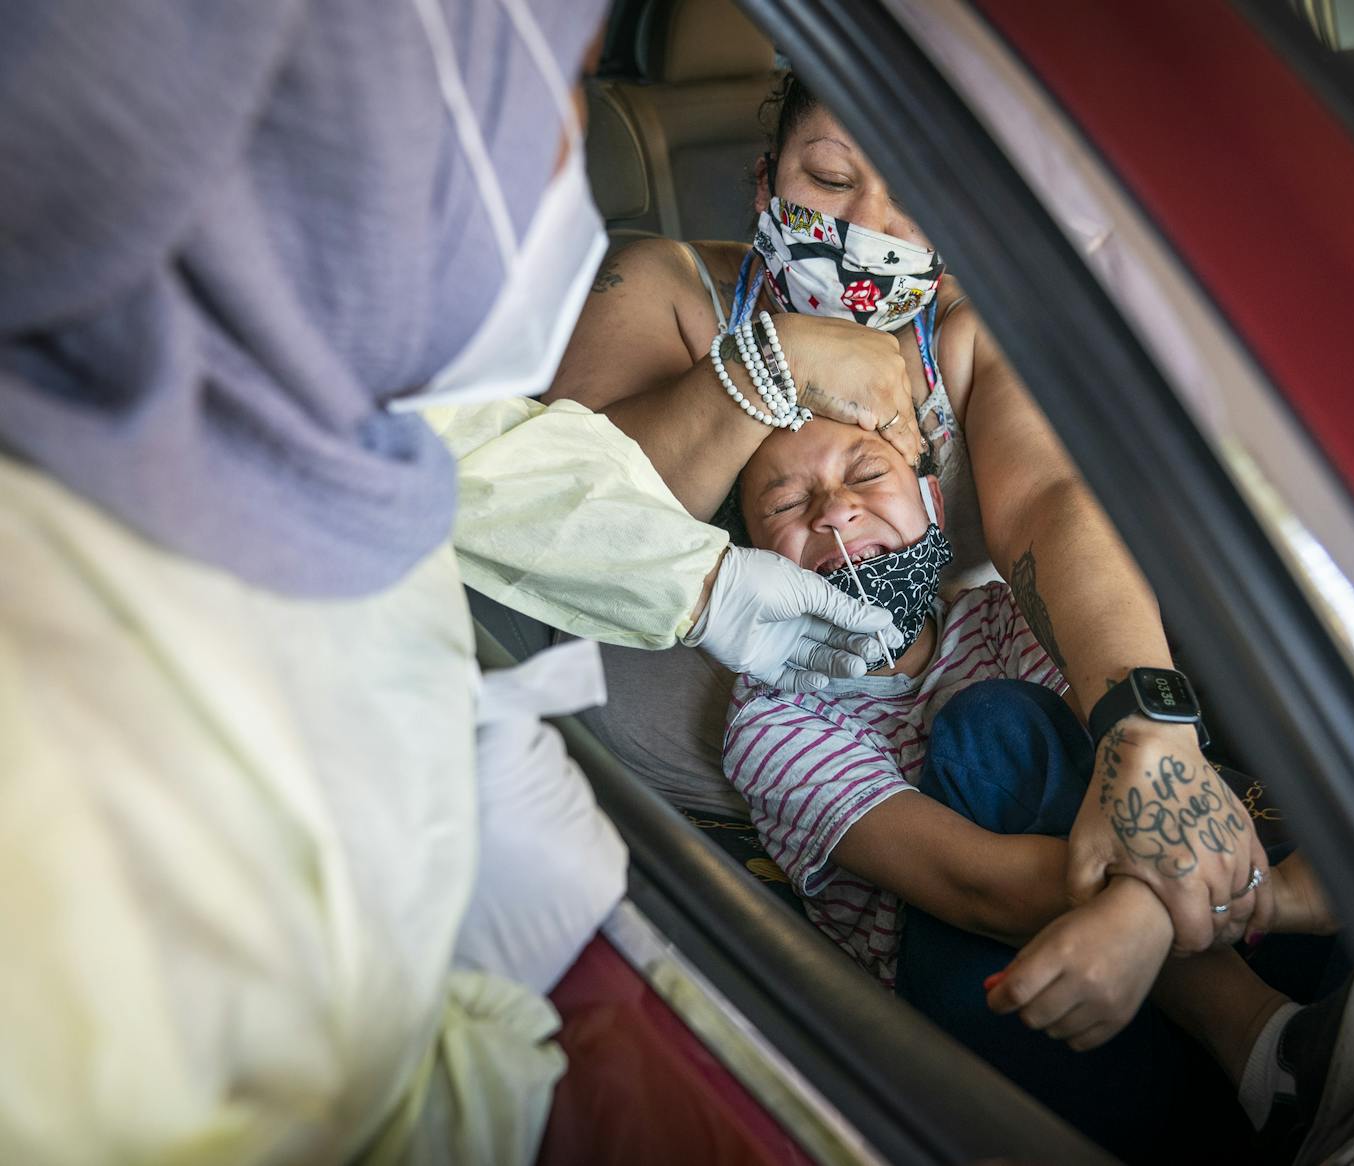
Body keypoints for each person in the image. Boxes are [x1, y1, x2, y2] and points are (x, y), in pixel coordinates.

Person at [0, 4, 896, 1161]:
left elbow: (482, 452)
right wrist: (493, 1029)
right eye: (551, 89)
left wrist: (708, 581)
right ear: (366, 143)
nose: (572, 148)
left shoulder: (279, 391)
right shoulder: (57, 759)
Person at [545, 72, 1274, 956]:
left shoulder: (965, 331)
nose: (868, 229)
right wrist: (774, 364)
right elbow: (574, 512)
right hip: (714, 808)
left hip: (979, 750)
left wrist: (1144, 727)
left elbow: (1048, 500)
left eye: (917, 198)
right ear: (768, 176)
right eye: (833, 179)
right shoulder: (660, 288)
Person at [721, 414, 1354, 1162]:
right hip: (1009, 982)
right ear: (750, 563)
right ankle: (1267, 1041)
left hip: (1155, 927)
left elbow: (1130, 792)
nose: (834, 510)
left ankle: (1290, 1062)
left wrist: (1153, 915)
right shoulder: (771, 720)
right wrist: (1268, 895)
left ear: (933, 502)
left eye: (867, 474)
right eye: (785, 504)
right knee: (991, 727)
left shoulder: (1005, 612)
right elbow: (977, 889)